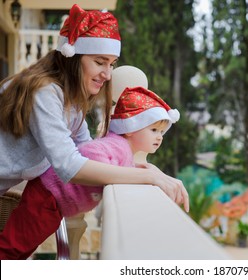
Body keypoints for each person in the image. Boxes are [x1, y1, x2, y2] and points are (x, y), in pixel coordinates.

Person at [0, 5, 187, 207]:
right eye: (100, 62)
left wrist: (149, 170)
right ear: (72, 57)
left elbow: (87, 153)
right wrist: (148, 178)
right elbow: (70, 166)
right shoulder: (45, 93)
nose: (108, 75)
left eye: (112, 64)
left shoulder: (72, 104)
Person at [0, 86, 182, 259]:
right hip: (47, 196)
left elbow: (118, 169)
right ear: (130, 129)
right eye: (154, 130)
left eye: (162, 132)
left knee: (21, 249)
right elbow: (90, 152)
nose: (159, 136)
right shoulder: (117, 145)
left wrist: (141, 171)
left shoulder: (124, 150)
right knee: (13, 247)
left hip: (52, 200)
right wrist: (115, 176)